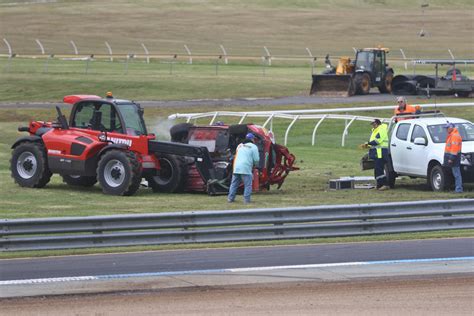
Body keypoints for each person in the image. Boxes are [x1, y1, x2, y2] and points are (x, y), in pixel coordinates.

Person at [227, 133, 260, 203]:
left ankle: (230, 198)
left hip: (236, 167)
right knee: (248, 185)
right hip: (246, 168)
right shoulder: (254, 147)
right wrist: (256, 165)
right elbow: (256, 159)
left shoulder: (240, 146)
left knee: (234, 184)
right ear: (252, 139)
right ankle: (246, 200)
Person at [361, 119, 390, 191]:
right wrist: (367, 146)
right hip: (377, 153)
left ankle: (385, 185)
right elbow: (374, 143)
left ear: (378, 123)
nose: (373, 125)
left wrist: (368, 143)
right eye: (372, 124)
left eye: (374, 124)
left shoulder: (381, 129)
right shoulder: (375, 130)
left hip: (381, 153)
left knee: (379, 170)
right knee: (377, 170)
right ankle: (379, 185)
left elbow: (377, 141)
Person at [444, 122, 463, 193]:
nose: (446, 130)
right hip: (454, 157)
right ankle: (458, 189)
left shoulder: (454, 136)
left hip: (454, 158)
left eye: (447, 128)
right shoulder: (452, 135)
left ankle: (458, 189)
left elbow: (454, 148)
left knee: (457, 174)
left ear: (451, 128)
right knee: (456, 173)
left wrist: (451, 158)